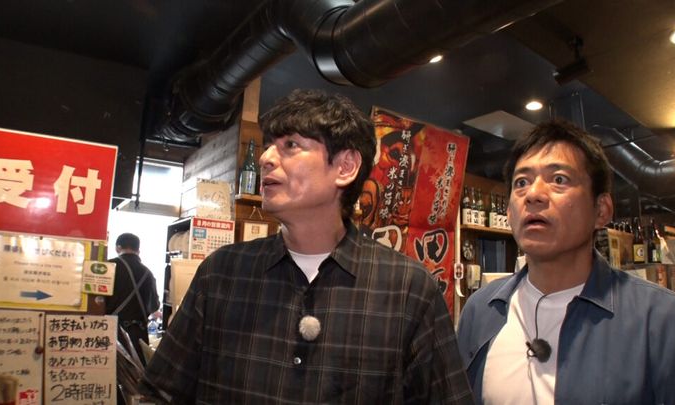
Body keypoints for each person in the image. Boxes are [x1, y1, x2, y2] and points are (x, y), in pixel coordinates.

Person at [141, 89, 474, 403]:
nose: (266, 158)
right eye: (268, 145)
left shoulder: (409, 289)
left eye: (290, 145)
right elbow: (160, 393)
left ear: (345, 167)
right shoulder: (221, 274)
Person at [457, 119, 675, 404]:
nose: (533, 194)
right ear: (509, 212)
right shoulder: (480, 311)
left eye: (559, 179)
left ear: (601, 210)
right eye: (521, 183)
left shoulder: (667, 322)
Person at [107, 232, 160, 364]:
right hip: (138, 335)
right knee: (136, 372)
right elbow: (154, 305)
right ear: (138, 250)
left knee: (112, 370)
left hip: (111, 331)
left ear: (118, 248)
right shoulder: (147, 273)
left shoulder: (108, 267)